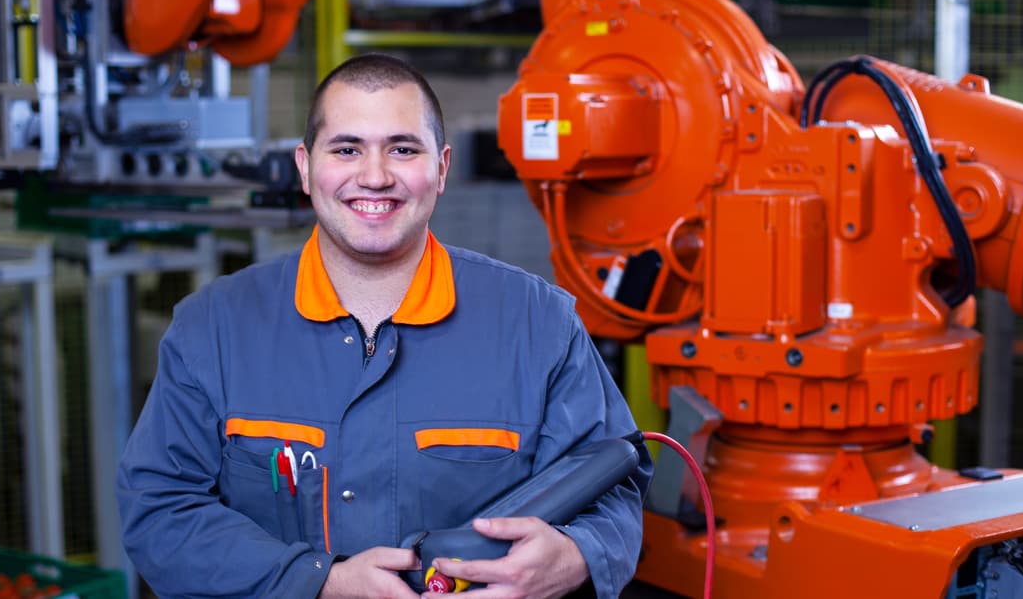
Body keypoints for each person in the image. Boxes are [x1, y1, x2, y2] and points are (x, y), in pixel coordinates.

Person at [116, 53, 652, 598]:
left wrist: (577, 555)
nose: (374, 176)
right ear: (304, 167)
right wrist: (317, 582)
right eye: (347, 149)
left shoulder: (539, 325)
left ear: (441, 168)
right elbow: (160, 509)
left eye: (403, 149)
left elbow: (613, 486)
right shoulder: (213, 329)